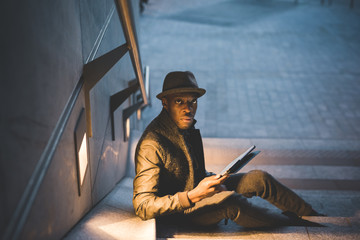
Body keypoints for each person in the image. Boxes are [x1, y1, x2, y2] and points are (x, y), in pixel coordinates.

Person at [133, 71, 323, 228]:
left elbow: (192, 173)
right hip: (180, 214)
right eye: (179, 101)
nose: (188, 108)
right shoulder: (153, 143)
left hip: (198, 193)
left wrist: (215, 179)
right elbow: (143, 206)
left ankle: (314, 216)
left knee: (258, 178)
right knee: (232, 203)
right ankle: (296, 224)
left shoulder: (185, 128)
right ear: (165, 103)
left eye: (192, 101)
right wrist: (194, 195)